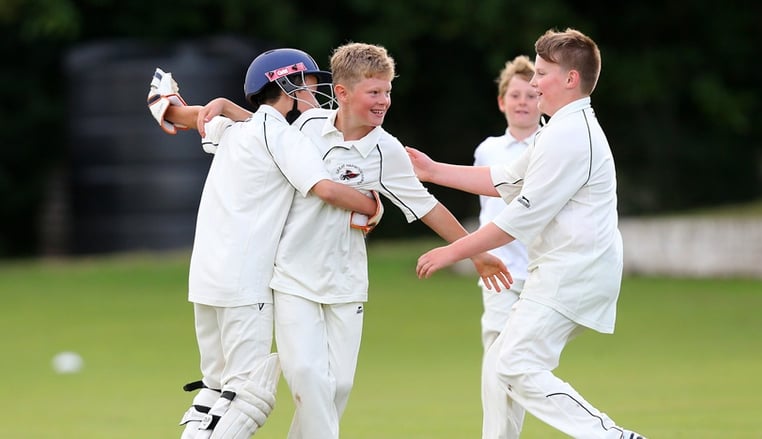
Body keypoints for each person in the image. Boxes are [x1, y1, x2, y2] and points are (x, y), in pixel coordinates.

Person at [198, 42, 512, 439]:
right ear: (342, 94)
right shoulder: (309, 126)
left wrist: (476, 253)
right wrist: (226, 106)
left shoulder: (387, 150)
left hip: (346, 283)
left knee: (337, 388)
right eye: (374, 92)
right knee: (309, 380)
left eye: (387, 92)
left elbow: (428, 206)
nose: (384, 101)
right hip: (292, 278)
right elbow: (266, 130)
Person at [407, 28, 646, 438]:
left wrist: (453, 252)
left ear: (570, 79)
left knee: (515, 365)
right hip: (563, 271)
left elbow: (519, 217)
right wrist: (432, 170)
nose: (533, 85)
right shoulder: (558, 129)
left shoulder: (571, 135)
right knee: (502, 365)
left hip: (574, 273)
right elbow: (506, 179)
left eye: (541, 74)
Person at [146, 48, 382, 439]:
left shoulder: (237, 130)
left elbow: (192, 117)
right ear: (286, 83)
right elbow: (323, 188)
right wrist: (371, 206)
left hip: (206, 279)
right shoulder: (286, 139)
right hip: (245, 281)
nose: (314, 92)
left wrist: (169, 105)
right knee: (248, 394)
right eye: (307, 83)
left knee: (215, 389)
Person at [472, 54, 542, 438]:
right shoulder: (488, 150)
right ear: (502, 102)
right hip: (499, 273)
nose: (522, 102)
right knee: (496, 361)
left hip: (539, 271)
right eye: (514, 95)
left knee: (520, 365)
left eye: (531, 95)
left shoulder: (553, 145)